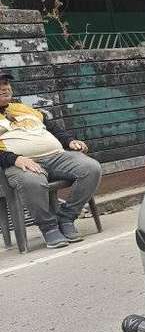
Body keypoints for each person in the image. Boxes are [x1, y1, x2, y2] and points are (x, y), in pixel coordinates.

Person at [0, 73, 102, 249]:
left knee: (91, 168)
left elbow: (53, 128)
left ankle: (67, 217)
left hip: (56, 156)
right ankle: (49, 227)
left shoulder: (24, 108)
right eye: (0, 85)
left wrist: (69, 141)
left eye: (6, 83)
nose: (5, 87)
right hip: (20, 162)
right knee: (32, 181)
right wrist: (14, 158)